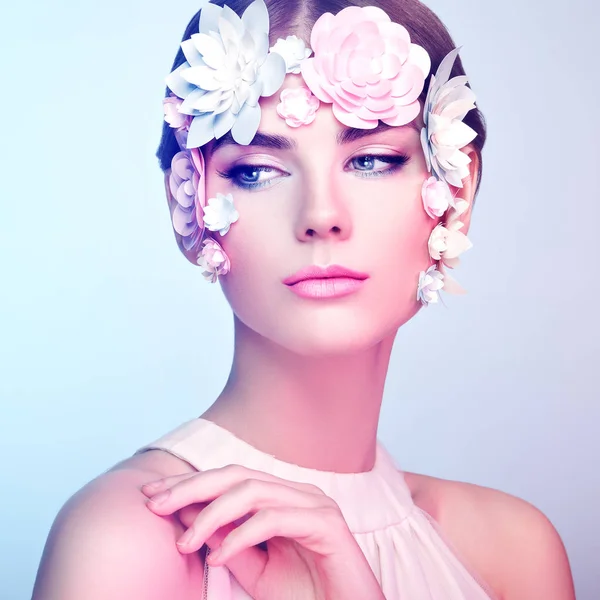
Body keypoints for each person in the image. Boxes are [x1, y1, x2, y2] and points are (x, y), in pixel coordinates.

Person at [31, 1, 576, 599]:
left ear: (455, 190)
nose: (321, 216)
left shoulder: (514, 551)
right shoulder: (131, 541)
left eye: (371, 160)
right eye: (259, 171)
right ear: (188, 200)